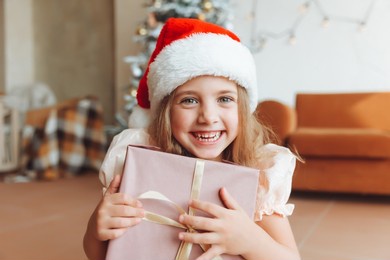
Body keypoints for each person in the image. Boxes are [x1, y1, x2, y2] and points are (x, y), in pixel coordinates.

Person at [83, 17, 301, 260]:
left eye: (225, 99)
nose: (208, 117)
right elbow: (101, 255)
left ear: (243, 109)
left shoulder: (259, 178)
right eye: (189, 100)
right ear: (165, 112)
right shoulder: (139, 169)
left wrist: (251, 241)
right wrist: (96, 229)